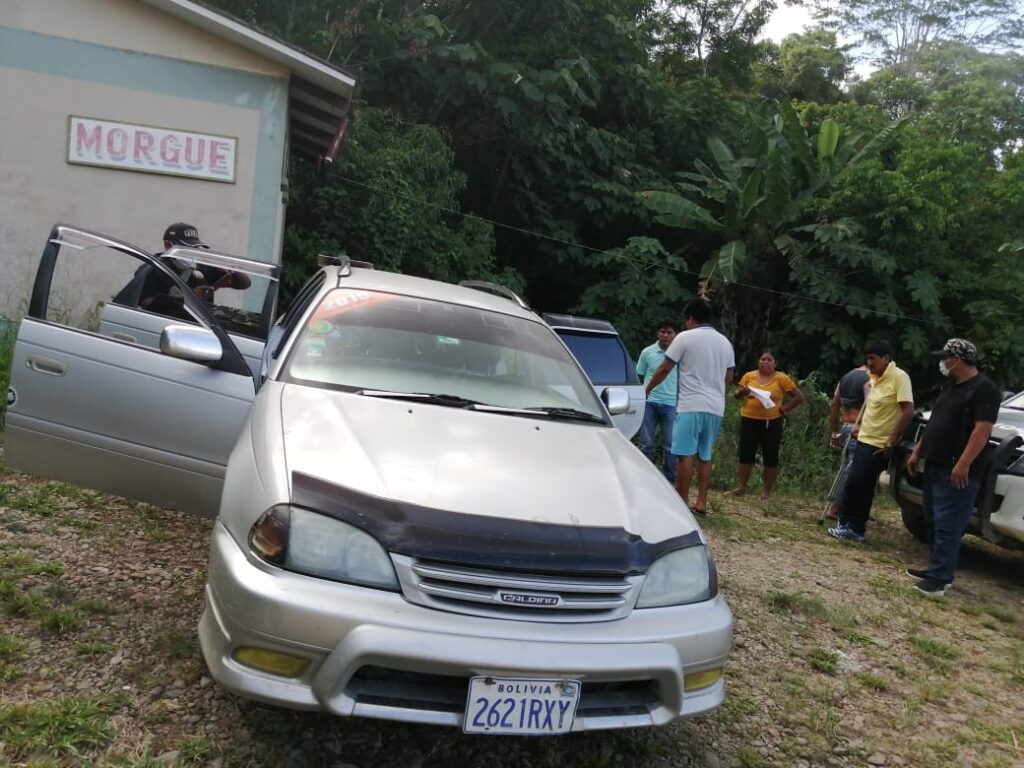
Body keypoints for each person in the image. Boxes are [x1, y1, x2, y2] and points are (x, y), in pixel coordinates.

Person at [905, 338, 1001, 596]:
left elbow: (982, 431)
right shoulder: (950, 387)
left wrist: (963, 463)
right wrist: (918, 451)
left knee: (948, 524)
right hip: (934, 463)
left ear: (956, 360)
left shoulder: (984, 389)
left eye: (945, 358)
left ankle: (939, 579)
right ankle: (935, 568)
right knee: (933, 521)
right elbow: (936, 421)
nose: (942, 362)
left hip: (957, 469)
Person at [644, 300, 735, 515]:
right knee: (705, 455)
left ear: (691, 319)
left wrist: (646, 390)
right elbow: (729, 378)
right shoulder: (725, 343)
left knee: (684, 455)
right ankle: (701, 503)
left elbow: (664, 369)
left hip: (690, 404)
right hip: (715, 407)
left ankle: (682, 503)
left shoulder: (684, 337)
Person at [828, 340, 914, 542]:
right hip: (864, 437)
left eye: (872, 358)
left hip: (879, 443)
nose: (869, 363)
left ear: (886, 358)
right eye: (867, 358)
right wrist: (861, 428)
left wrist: (891, 441)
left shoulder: (899, 377)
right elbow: (874, 409)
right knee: (860, 485)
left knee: (857, 483)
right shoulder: (875, 378)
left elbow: (907, 411)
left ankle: (851, 525)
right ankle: (851, 526)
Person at [114, 222, 250, 314]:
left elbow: (244, 284)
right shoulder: (152, 268)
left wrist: (234, 271)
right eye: (186, 248)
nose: (192, 253)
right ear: (168, 245)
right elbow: (146, 303)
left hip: (201, 326)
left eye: (195, 248)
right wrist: (188, 298)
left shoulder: (204, 266)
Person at [729, 349, 805, 500]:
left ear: (775, 363)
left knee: (770, 456)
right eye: (763, 359)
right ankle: (741, 486)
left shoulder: (782, 378)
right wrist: (741, 393)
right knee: (745, 454)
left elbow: (798, 396)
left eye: (769, 360)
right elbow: (737, 394)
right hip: (749, 419)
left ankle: (765, 492)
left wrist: (784, 409)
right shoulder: (749, 376)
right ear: (758, 361)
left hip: (772, 422)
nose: (765, 362)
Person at [822, 364, 871, 522]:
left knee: (846, 469)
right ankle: (835, 508)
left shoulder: (846, 377)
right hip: (859, 427)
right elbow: (871, 406)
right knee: (851, 470)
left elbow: (835, 404)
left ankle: (850, 506)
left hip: (845, 425)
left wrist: (834, 431)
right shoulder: (870, 379)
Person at [636, 319, 679, 483]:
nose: (665, 335)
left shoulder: (679, 354)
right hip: (649, 403)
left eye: (669, 332)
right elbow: (639, 376)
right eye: (663, 331)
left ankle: (669, 479)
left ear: (675, 335)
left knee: (670, 444)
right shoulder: (647, 352)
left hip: (671, 404)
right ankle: (644, 477)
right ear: (657, 333)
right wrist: (641, 395)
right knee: (646, 443)